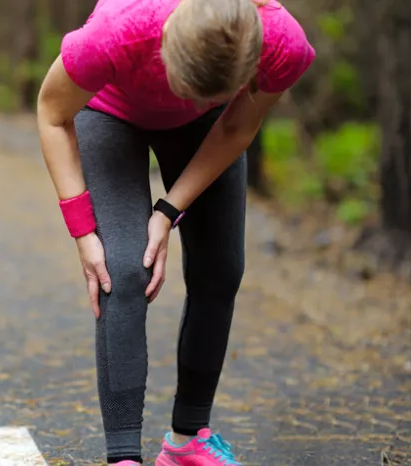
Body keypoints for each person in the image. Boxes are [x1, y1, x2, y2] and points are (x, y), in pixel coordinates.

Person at [35, 0, 315, 464]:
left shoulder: (282, 44)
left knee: (220, 268)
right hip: (110, 109)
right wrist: (84, 232)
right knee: (122, 269)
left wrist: (168, 211)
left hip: (208, 130)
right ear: (165, 50)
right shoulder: (116, 32)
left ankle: (187, 442)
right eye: (191, 90)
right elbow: (51, 112)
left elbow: (237, 126)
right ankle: (123, 456)